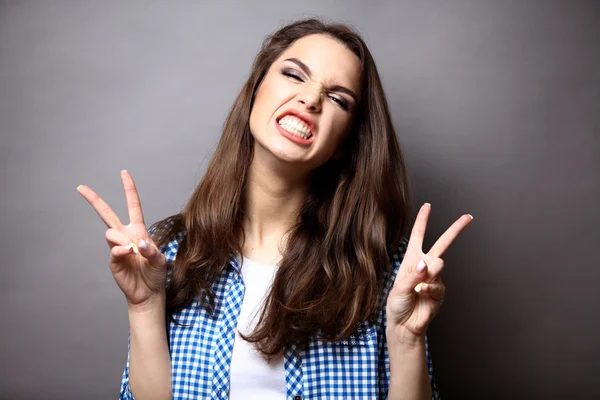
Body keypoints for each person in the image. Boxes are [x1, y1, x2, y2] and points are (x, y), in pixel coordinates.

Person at [77, 18, 472, 400]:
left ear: (346, 143)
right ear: (255, 89)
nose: (311, 98)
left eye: (338, 98)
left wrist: (407, 339)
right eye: (294, 75)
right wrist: (144, 306)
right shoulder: (173, 254)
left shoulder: (386, 268)